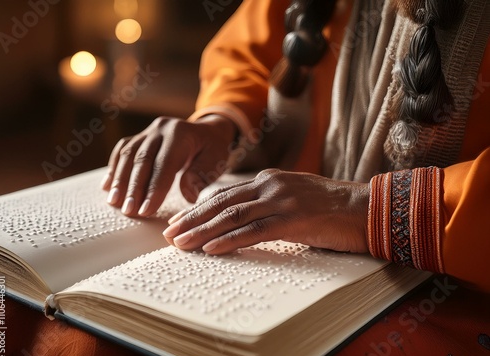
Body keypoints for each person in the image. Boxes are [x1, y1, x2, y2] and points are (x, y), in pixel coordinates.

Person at [102, 0, 490, 293]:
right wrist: (222, 121)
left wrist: (362, 208)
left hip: (452, 297)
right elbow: (251, 51)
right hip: (303, 271)